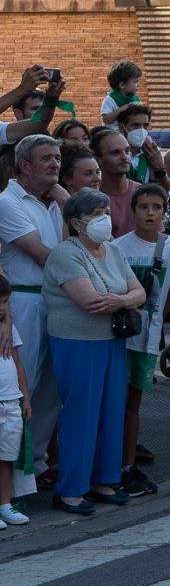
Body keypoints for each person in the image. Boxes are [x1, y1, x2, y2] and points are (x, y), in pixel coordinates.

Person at [43, 189, 146, 514]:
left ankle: (105, 480)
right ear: (76, 222)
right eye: (96, 214)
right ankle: (71, 488)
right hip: (77, 343)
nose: (104, 220)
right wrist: (123, 299)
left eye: (105, 212)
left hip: (111, 341)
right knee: (81, 414)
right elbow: (90, 301)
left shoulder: (113, 251)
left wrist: (121, 300)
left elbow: (140, 291)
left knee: (110, 411)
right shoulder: (65, 254)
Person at [0, 134, 64, 498]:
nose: (56, 164)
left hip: (54, 300)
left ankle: (35, 464)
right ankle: (14, 475)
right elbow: (43, 255)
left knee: (49, 391)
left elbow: (79, 243)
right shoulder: (8, 203)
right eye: (47, 159)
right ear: (25, 165)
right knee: (26, 386)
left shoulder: (52, 203)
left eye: (57, 158)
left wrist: (66, 200)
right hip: (23, 303)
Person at [112, 183, 170, 496]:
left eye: (157, 207)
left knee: (134, 403)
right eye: (143, 207)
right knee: (115, 401)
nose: (151, 213)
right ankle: (110, 463)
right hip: (120, 336)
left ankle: (127, 463)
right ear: (132, 211)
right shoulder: (119, 247)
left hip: (148, 339)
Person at [0, 275, 28, 526]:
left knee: (7, 457)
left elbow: (18, 364)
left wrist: (25, 398)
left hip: (11, 401)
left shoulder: (10, 327)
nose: (1, 307)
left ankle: (5, 504)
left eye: (6, 302)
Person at [99, 61, 144, 128]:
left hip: (130, 133)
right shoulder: (110, 99)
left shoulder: (136, 99)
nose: (138, 85)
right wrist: (123, 109)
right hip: (113, 134)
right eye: (135, 82)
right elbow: (105, 119)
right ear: (122, 85)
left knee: (148, 138)